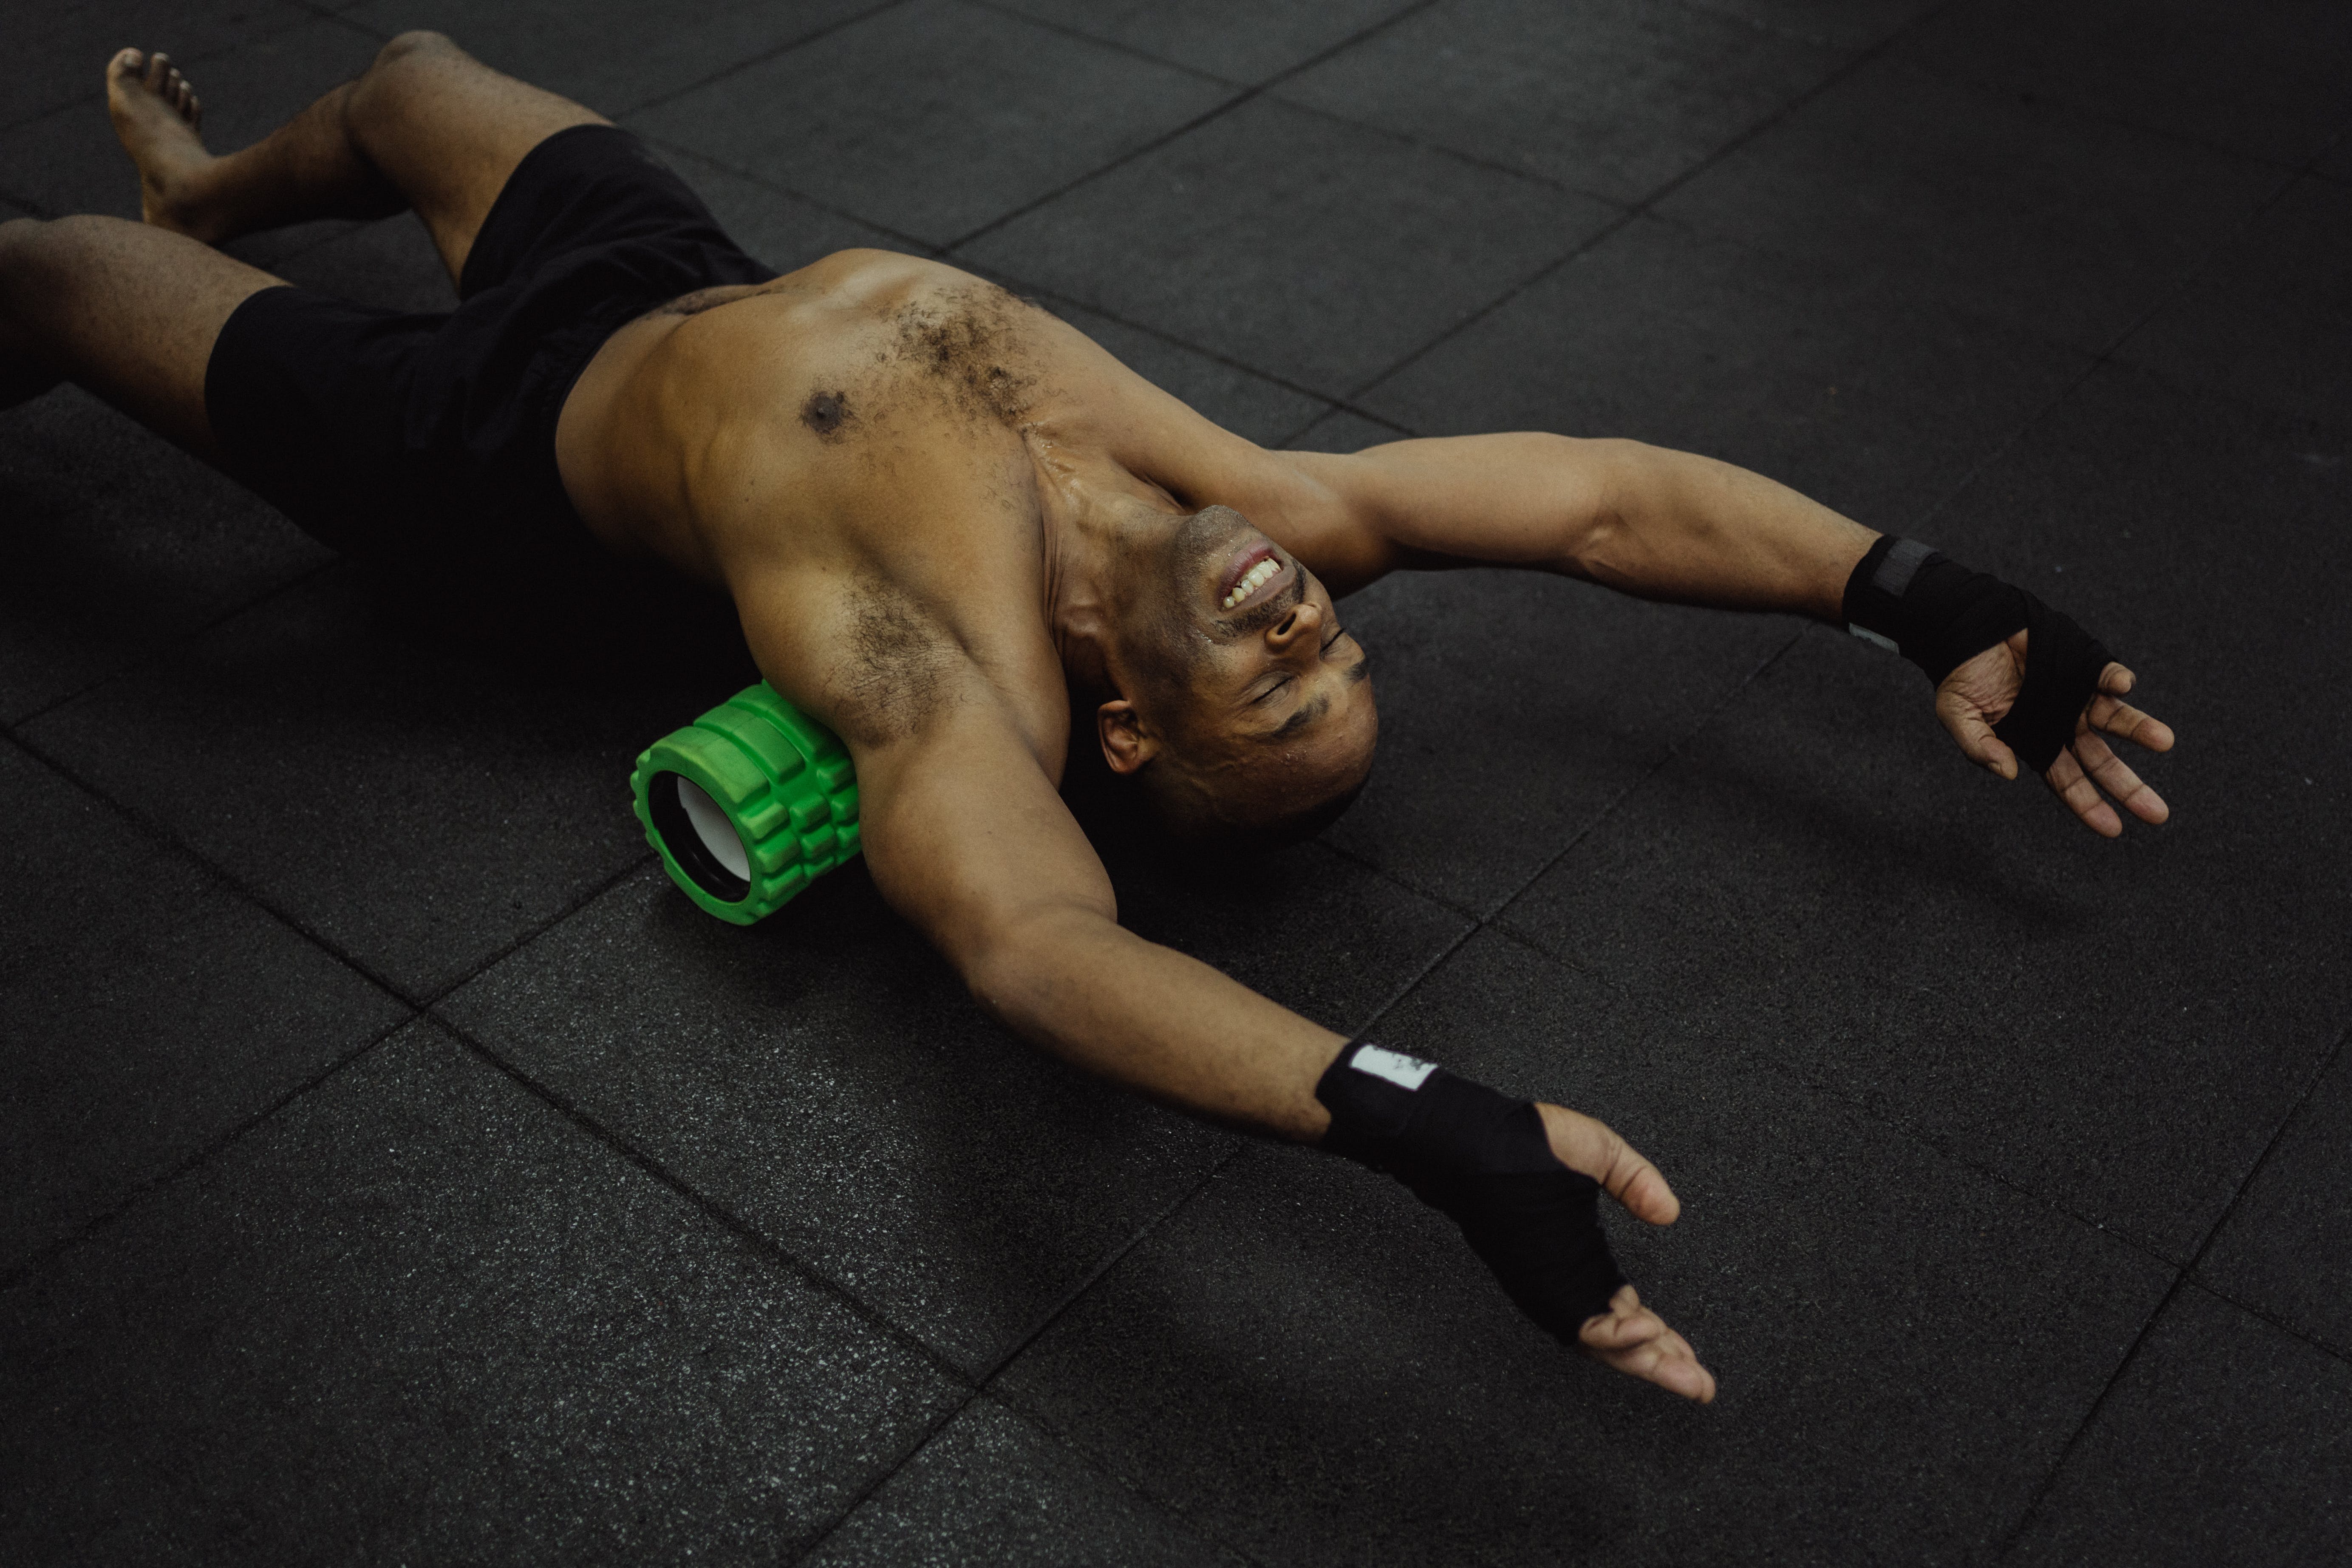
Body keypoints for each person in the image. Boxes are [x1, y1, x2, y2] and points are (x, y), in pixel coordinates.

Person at [0, 36, 2177, 1406]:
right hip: (675, 266)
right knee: (399, 83)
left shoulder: (943, 668)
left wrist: (1418, 1115)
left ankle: (145, 258)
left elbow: (1038, 944)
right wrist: (1930, 600)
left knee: (44, 280)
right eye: (1341, 652)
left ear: (1127, 734)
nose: (1308, 615)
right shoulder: (1258, 500)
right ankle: (207, 193)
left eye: (1273, 677)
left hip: (489, 443)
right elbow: (1603, 498)